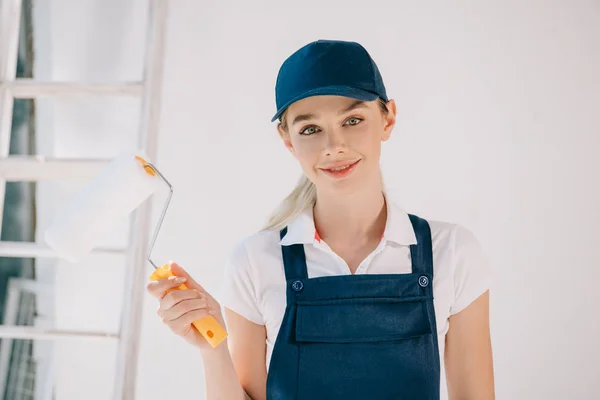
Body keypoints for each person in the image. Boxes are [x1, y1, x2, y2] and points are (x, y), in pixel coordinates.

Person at [146, 39, 495, 400]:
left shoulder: (452, 252)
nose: (334, 145)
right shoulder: (254, 261)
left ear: (388, 118)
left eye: (353, 120)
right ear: (287, 139)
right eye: (310, 129)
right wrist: (212, 349)